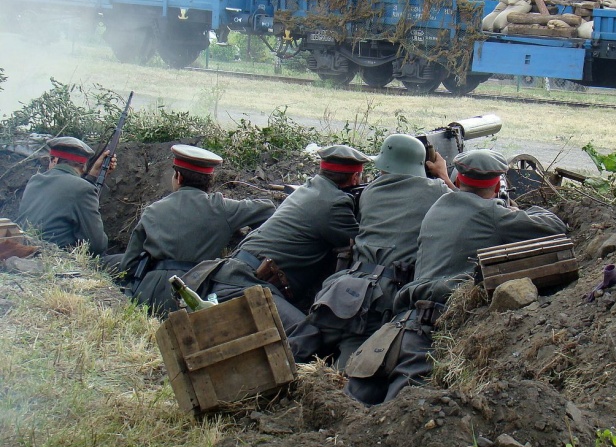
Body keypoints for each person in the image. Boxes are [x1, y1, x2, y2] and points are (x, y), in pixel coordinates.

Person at [344, 149, 568, 405]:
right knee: (398, 419)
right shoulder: (494, 215)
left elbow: (463, 201)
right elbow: (555, 226)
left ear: (458, 180)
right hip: (433, 336)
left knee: (351, 410)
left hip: (398, 327)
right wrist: (510, 205)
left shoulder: (438, 204)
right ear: (496, 186)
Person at [287, 134, 456, 369]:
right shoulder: (436, 192)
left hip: (342, 289)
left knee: (307, 344)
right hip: (382, 299)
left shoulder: (370, 192)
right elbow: (463, 207)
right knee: (353, 370)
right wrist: (443, 175)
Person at [205, 144, 369, 315]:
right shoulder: (334, 203)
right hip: (250, 283)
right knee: (306, 335)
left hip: (236, 272)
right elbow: (361, 244)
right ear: (355, 177)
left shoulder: (308, 189)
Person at [119, 144, 276, 317]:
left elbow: (128, 265)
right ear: (210, 180)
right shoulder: (222, 208)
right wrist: (245, 238)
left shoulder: (152, 210)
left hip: (150, 292)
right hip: (197, 290)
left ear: (178, 177)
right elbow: (268, 209)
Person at [17, 136, 116, 256]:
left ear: (54, 160)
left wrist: (93, 176)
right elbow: (97, 246)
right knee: (131, 263)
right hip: (58, 259)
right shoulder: (83, 189)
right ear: (83, 166)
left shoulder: (34, 181)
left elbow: (68, 191)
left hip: (26, 253)